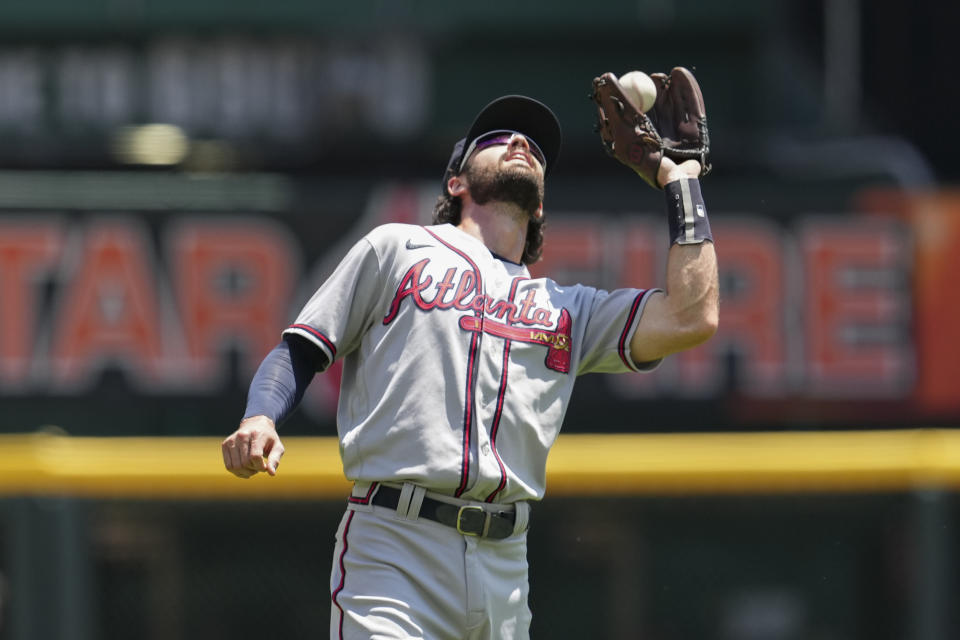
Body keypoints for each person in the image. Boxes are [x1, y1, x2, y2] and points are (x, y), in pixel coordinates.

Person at [222, 92, 718, 639]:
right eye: (497, 138)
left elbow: (691, 316)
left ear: (541, 207)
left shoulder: (569, 308)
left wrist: (682, 181)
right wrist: (260, 417)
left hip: (506, 567)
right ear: (456, 182)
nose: (519, 142)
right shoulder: (398, 248)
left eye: (532, 145)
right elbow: (302, 347)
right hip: (397, 549)